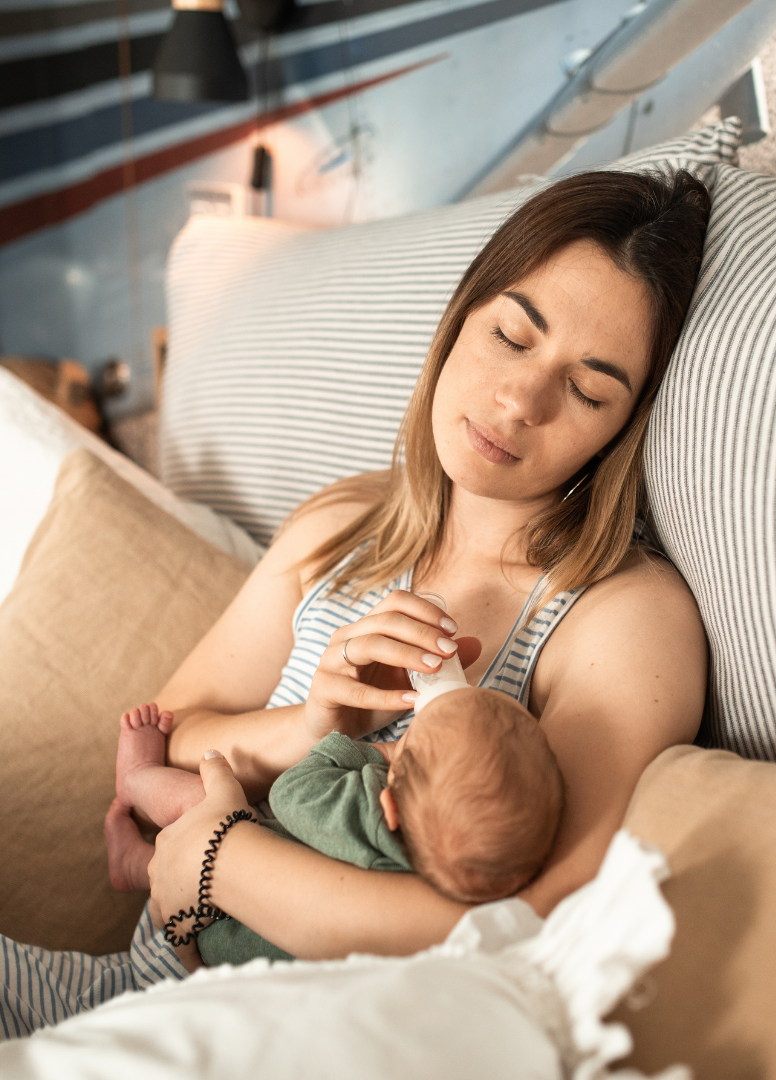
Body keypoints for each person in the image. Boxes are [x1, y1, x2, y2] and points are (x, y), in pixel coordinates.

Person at [0, 167, 711, 1038]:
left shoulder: (620, 615)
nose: (521, 401)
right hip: (131, 983)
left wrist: (219, 859)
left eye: (589, 389)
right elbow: (173, 728)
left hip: (287, 1027)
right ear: (460, 319)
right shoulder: (341, 525)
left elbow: (528, 920)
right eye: (512, 337)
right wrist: (309, 726)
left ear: (625, 426)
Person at [105, 689, 565, 970]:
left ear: (389, 805)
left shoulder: (365, 821)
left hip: (229, 927)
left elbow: (292, 792)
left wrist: (373, 756)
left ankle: (136, 776)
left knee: (205, 807)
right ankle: (134, 864)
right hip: (253, 959)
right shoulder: (452, 879)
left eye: (407, 743)